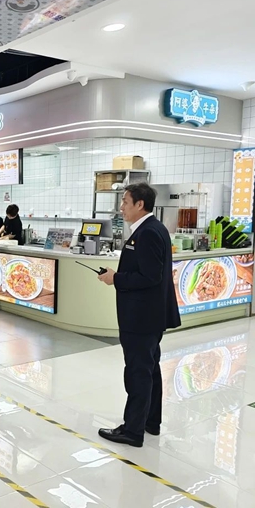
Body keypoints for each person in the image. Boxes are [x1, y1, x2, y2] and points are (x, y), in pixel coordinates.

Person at [97, 183, 180, 448]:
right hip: (147, 315)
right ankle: (150, 421)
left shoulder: (148, 233)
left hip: (141, 317)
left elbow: (150, 277)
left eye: (125, 202)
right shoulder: (151, 229)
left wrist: (116, 278)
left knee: (138, 373)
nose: (121, 207)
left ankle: (132, 430)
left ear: (139, 204)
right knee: (149, 369)